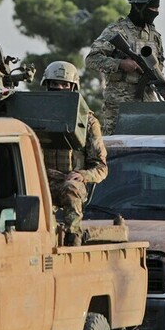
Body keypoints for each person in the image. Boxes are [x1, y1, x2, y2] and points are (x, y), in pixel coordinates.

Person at [40, 61, 108, 246]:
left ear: (73, 87)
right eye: (54, 84)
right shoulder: (35, 115)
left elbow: (101, 167)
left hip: (69, 181)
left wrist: (83, 175)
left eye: (64, 85)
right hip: (41, 180)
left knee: (71, 188)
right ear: (47, 85)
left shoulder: (88, 122)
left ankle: (73, 238)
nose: (59, 88)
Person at [85, 0, 165, 135]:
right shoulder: (116, 31)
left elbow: (159, 66)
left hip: (147, 103)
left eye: (157, 8)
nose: (156, 12)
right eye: (152, 8)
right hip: (119, 104)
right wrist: (120, 63)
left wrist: (162, 86)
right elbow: (91, 59)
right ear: (139, 6)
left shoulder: (154, 36)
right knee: (117, 144)